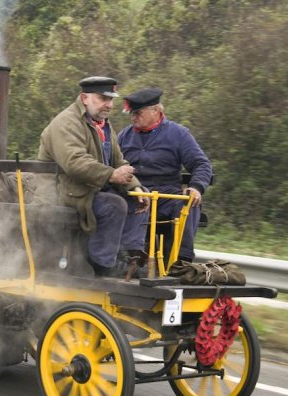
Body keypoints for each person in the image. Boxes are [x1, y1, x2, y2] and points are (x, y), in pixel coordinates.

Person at [38, 76, 150, 277]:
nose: (108, 105)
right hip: (63, 192)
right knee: (114, 204)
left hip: (91, 188)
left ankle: (126, 257)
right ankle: (102, 264)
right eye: (102, 99)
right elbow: (75, 162)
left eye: (111, 100)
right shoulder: (66, 123)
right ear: (84, 98)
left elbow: (119, 161)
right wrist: (111, 175)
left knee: (141, 197)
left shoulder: (103, 124)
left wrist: (135, 187)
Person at [117, 88, 213, 262]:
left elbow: (201, 164)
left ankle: (181, 260)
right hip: (135, 194)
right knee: (134, 199)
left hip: (166, 196)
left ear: (156, 110)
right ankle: (131, 258)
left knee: (189, 203)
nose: (133, 118)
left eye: (138, 113)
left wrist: (196, 186)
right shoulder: (124, 136)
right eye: (132, 114)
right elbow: (110, 164)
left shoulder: (179, 134)